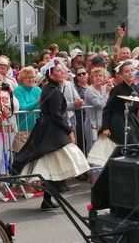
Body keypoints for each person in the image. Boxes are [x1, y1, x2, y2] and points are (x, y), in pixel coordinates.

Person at [11, 59, 90, 210]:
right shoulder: (52, 91)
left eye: (63, 71)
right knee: (59, 160)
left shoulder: (50, 88)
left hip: (48, 129)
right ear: (51, 74)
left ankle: (48, 200)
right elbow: (56, 115)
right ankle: (51, 197)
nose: (63, 73)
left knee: (51, 165)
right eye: (59, 71)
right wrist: (69, 130)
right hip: (51, 131)